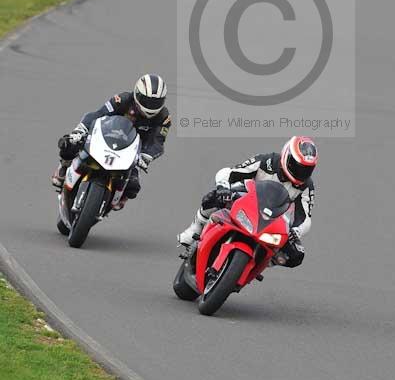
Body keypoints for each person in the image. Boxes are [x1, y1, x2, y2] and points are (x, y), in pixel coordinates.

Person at [177, 136, 317, 268]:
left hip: (272, 219)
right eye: (298, 166)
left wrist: (297, 231)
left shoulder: (306, 186)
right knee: (213, 197)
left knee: (296, 255)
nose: (301, 172)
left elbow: (305, 218)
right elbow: (231, 172)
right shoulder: (266, 161)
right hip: (245, 200)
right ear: (287, 156)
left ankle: (259, 264)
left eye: (306, 169)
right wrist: (223, 187)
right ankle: (195, 229)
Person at [51, 74, 171, 205]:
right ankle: (63, 165)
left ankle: (118, 198)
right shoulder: (122, 99)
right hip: (107, 136)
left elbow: (158, 142)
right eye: (147, 101)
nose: (150, 106)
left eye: (155, 103)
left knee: (133, 186)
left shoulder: (164, 118)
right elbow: (98, 114)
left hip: (133, 152)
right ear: (137, 94)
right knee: (69, 144)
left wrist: (146, 157)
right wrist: (80, 130)